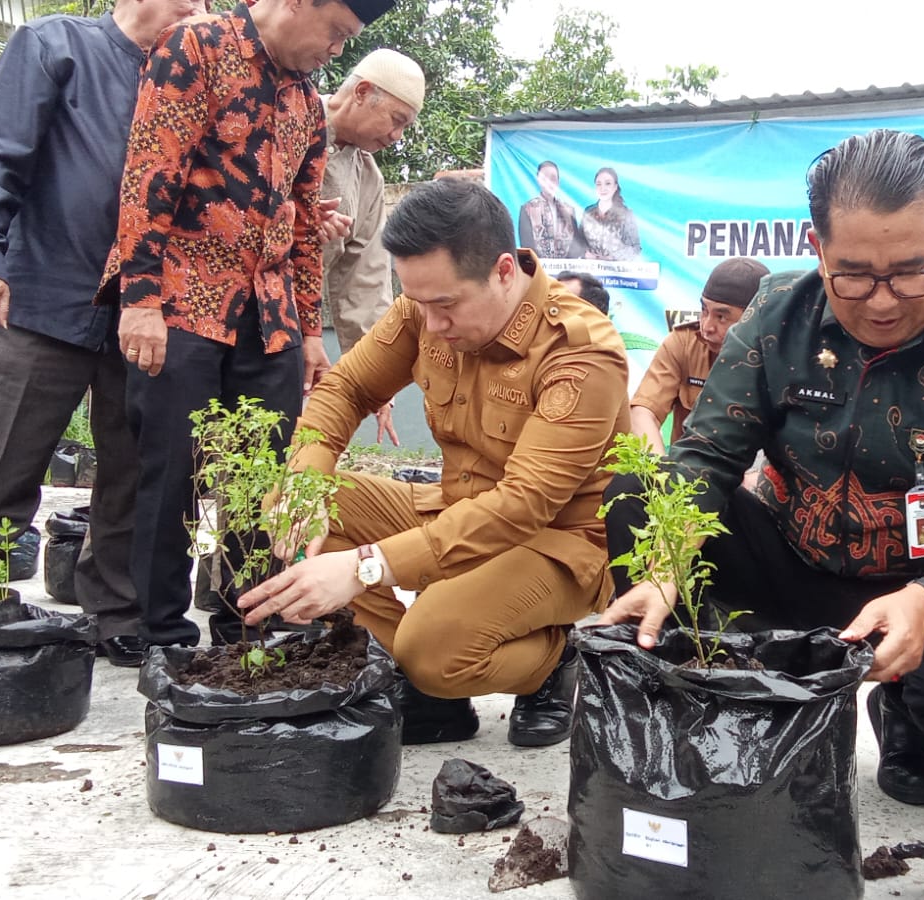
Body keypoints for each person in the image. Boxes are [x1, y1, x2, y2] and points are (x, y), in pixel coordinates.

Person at [599, 130, 924, 807]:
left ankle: (906, 716)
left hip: (923, 586)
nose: (882, 301)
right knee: (640, 493)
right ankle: (696, 703)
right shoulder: (776, 314)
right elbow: (710, 455)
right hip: (791, 561)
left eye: (910, 272)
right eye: (853, 274)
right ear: (816, 248)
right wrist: (666, 566)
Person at [235, 178, 629, 748]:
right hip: (453, 506)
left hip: (555, 542)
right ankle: (429, 690)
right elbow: (345, 388)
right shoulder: (424, 307)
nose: (432, 323)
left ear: (503, 271)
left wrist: (364, 568)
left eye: (446, 305)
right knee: (295, 501)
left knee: (433, 648)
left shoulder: (579, 351)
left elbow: (523, 505)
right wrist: (305, 490)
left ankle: (553, 658)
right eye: (419, 303)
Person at [95, 0, 395, 649]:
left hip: (269, 316)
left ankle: (248, 625)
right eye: (337, 33)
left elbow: (305, 225)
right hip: (181, 299)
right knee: (172, 471)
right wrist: (140, 300)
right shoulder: (194, 48)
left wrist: (309, 333)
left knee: (263, 475)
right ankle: (159, 632)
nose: (337, 51)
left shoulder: (307, 101)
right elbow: (149, 175)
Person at [0, 0, 206, 666]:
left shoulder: (195, 75)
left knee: (133, 469)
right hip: (46, 294)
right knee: (1, 462)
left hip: (146, 308)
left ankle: (119, 612)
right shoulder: (53, 46)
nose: (200, 11)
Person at [320, 48, 422, 359]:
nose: (397, 136)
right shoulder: (283, 119)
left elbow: (365, 284)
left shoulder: (367, 178)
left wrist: (375, 369)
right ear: (362, 92)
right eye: (396, 120)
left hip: (286, 332)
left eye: (405, 127)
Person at [629, 257, 769, 454]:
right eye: (704, 310)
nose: (707, 327)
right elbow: (643, 412)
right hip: (688, 468)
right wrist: (659, 467)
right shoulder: (684, 343)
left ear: (755, 318)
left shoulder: (783, 356)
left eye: (721, 317)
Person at [518, 161, 583, 260]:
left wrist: (564, 264)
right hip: (539, 266)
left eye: (553, 178)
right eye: (545, 178)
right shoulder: (527, 209)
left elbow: (576, 244)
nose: (549, 182)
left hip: (565, 267)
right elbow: (526, 245)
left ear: (558, 182)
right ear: (538, 180)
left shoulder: (569, 210)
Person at [580, 167, 641, 261]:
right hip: (590, 267)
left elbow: (635, 248)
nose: (602, 188)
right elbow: (579, 241)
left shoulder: (626, 214)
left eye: (607, 183)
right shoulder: (588, 212)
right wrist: (585, 254)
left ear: (615, 187)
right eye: (599, 184)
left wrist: (613, 257)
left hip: (615, 268)